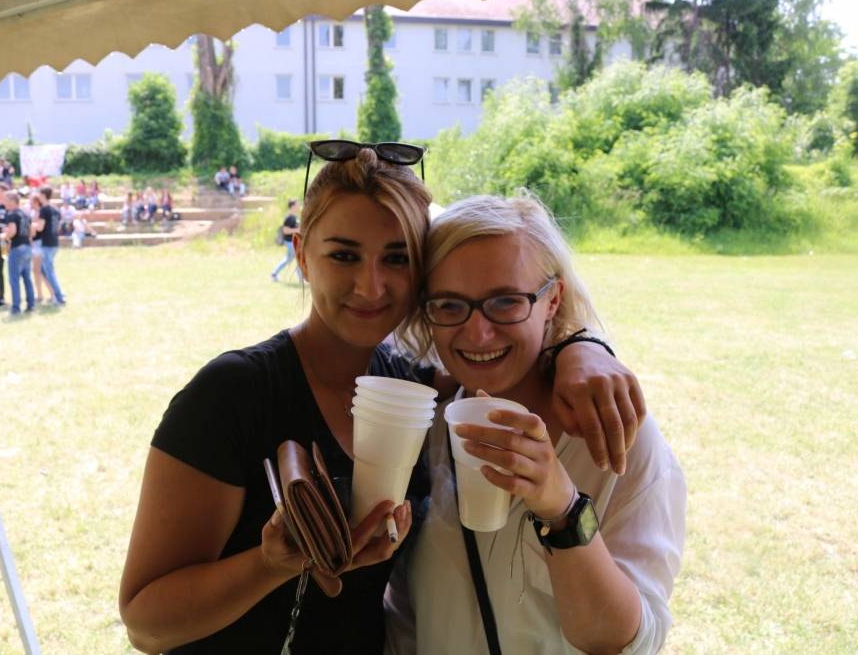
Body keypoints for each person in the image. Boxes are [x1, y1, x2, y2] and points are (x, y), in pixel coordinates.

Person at [120, 145, 644, 653]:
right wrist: (271, 564)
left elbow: (501, 346)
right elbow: (146, 624)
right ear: (302, 255)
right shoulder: (233, 393)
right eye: (344, 255)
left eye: (397, 258)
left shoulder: (411, 387)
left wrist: (581, 347)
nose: (371, 287)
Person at [387, 194, 686, 655]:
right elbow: (407, 616)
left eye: (506, 301)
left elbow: (628, 642)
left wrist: (562, 507)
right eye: (449, 305)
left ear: (553, 300)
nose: (477, 333)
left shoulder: (615, 438)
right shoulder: (427, 429)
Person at [2, 191, 35, 314]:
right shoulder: (26, 214)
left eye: (6, 201)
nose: (4, 203)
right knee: (27, 278)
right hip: (27, 247)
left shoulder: (12, 214)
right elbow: (31, 233)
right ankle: (31, 304)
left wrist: (4, 236)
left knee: (14, 279)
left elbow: (12, 231)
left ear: (12, 201)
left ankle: (16, 307)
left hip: (17, 248)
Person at [33, 186, 66, 305]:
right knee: (43, 269)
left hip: (46, 243)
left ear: (43, 195)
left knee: (49, 271)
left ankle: (59, 297)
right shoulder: (56, 210)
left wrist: (31, 225)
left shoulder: (44, 210)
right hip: (54, 242)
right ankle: (56, 294)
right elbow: (58, 226)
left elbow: (40, 227)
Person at [270, 198, 300, 282]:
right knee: (299, 259)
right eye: (297, 204)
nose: (299, 206)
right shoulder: (289, 218)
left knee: (288, 260)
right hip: (290, 242)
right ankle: (301, 279)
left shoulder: (295, 217)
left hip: (294, 242)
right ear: (293, 206)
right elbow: (285, 231)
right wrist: (297, 230)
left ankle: (274, 274)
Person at [29, 194, 47, 303]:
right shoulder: (35, 213)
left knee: (39, 270)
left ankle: (46, 294)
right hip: (35, 243)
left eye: (31, 201)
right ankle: (40, 293)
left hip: (39, 243)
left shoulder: (41, 213)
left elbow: (38, 229)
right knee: (37, 270)